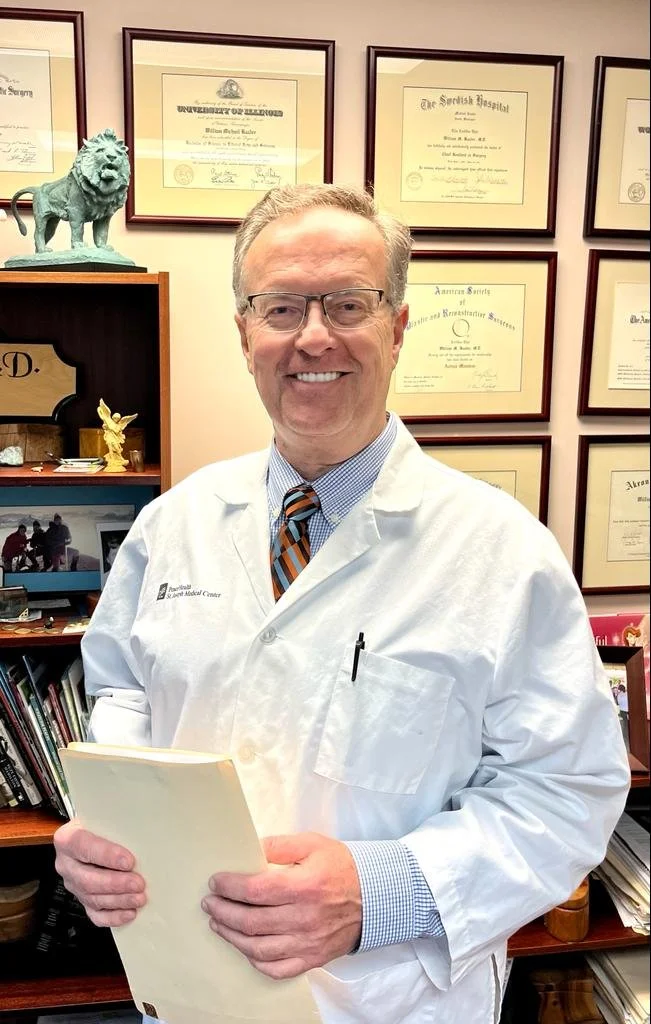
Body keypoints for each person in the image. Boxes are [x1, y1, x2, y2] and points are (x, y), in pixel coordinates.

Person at [53, 184, 630, 1024]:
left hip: (388, 1001)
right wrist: (104, 828)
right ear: (244, 332)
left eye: (348, 304)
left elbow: (565, 789)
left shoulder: (501, 552)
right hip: (188, 985)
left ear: (396, 328)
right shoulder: (171, 524)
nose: (312, 336)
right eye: (280, 307)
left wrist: (378, 893)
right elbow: (123, 696)